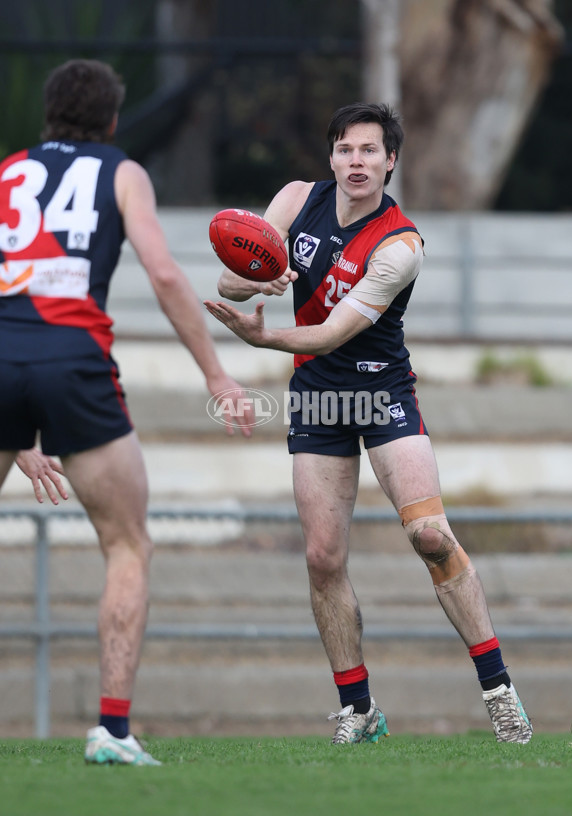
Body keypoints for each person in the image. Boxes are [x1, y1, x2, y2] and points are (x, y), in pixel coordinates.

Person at [205, 102, 533, 745]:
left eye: (370, 151)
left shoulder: (400, 244)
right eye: (346, 149)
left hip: (381, 393)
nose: (357, 162)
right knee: (322, 556)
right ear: (331, 157)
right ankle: (358, 710)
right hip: (317, 400)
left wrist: (262, 339)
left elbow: (329, 333)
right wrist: (257, 282)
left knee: (431, 536)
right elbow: (229, 277)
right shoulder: (296, 200)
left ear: (391, 161)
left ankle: (499, 692)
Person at [0, 59, 254, 765]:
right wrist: (216, 374)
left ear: (46, 113)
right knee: (126, 543)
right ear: (113, 119)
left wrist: (14, 429)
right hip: (74, 360)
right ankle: (111, 731)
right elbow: (165, 272)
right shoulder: (121, 171)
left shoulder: (7, 171)